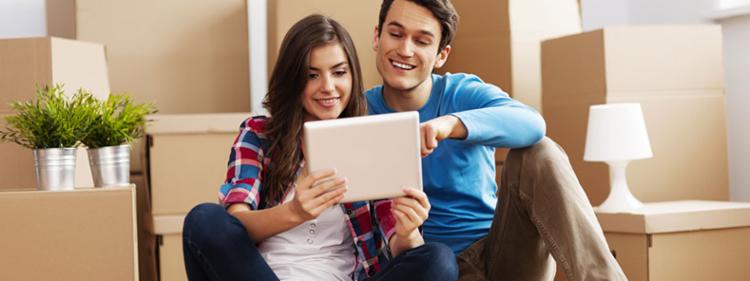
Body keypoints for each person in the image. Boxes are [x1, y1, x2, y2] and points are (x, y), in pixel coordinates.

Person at [182, 14, 458, 281]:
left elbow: (398, 245)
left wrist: (408, 231)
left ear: (352, 76)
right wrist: (295, 212)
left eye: (339, 72)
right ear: (292, 79)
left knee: (438, 259)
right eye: (312, 75)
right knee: (205, 219)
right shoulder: (259, 133)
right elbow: (235, 225)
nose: (328, 87)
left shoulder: (372, 138)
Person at [367, 0, 628, 280]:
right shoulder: (359, 112)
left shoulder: (463, 93)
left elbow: (532, 124)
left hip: (501, 253)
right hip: (431, 265)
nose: (405, 50)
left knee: (539, 152)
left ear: (441, 55)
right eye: (395, 34)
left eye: (422, 41)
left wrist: (452, 124)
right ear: (377, 36)